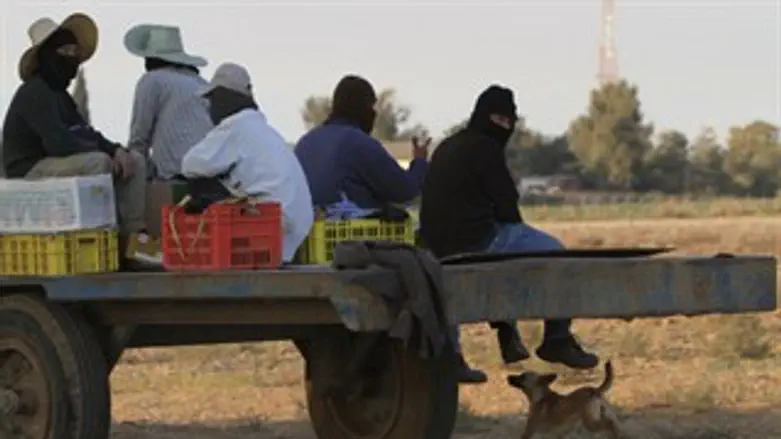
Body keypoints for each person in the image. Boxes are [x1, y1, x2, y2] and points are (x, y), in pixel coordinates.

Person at [419, 85, 599, 383]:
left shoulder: (447, 146)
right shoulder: (486, 148)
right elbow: (507, 205)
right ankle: (557, 336)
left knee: (448, 292)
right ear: (489, 119)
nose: (505, 128)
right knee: (556, 253)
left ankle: (452, 356)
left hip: (436, 245)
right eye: (502, 121)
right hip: (478, 239)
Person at [1, 14, 150, 269]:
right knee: (97, 163)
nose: (71, 57)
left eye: (74, 51)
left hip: (54, 159)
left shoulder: (61, 96)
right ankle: (106, 236)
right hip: (29, 168)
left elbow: (85, 131)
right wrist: (107, 155)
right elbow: (59, 143)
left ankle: (135, 241)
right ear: (49, 55)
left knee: (135, 160)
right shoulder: (35, 92)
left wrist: (117, 149)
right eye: (64, 50)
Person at [180, 62, 314, 263]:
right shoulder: (261, 129)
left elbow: (189, 165)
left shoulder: (235, 127)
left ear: (223, 97)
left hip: (270, 224)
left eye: (212, 101)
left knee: (200, 185)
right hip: (295, 227)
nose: (210, 109)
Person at [294, 75, 430, 213]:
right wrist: (419, 161)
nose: (374, 113)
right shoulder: (358, 143)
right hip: (356, 231)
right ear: (362, 107)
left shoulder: (305, 143)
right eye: (371, 106)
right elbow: (404, 190)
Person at [124, 24, 213, 180]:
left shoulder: (152, 80)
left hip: (172, 174)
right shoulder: (202, 83)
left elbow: (139, 137)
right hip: (210, 173)